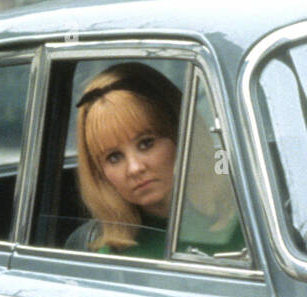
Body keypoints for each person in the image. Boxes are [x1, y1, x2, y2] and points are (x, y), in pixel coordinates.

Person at [73, 63, 244, 258]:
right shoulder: (104, 253)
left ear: (182, 136)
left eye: (146, 143)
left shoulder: (249, 221)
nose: (135, 168)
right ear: (99, 172)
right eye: (114, 157)